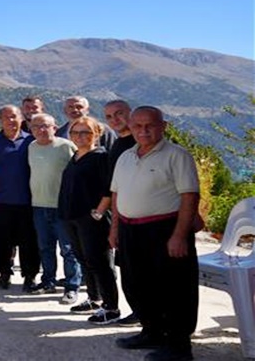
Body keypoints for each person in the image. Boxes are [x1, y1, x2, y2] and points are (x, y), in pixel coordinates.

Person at [111, 106, 200, 361]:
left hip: (165, 229)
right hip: (129, 229)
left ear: (163, 126)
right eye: (138, 126)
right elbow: (116, 193)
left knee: (174, 289)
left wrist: (179, 235)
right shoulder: (126, 156)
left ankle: (179, 346)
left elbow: (190, 196)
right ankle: (152, 332)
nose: (143, 130)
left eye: (150, 125)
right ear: (131, 127)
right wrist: (115, 228)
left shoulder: (177, 155)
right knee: (137, 284)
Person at [58, 115, 119, 324]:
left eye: (85, 132)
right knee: (85, 260)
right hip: (72, 217)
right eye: (75, 132)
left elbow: (109, 188)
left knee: (100, 263)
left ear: (97, 134)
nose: (79, 136)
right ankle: (94, 299)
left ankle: (111, 307)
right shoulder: (75, 155)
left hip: (92, 218)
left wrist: (99, 212)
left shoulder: (101, 157)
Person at [0, 105, 39, 291]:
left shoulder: (32, 141)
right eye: (6, 117)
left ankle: (30, 276)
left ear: (21, 118)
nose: (10, 120)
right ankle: (4, 273)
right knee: (0, 241)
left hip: (29, 202)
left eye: (13, 116)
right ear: (0, 120)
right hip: (0, 202)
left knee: (30, 242)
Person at [27, 113, 81, 302]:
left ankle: (72, 287)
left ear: (55, 128)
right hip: (39, 205)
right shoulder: (31, 147)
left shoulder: (66, 146)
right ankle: (48, 282)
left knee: (68, 249)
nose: (41, 130)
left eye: (45, 126)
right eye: (36, 126)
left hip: (62, 207)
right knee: (45, 247)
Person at [103, 99, 140, 327]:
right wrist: (114, 225)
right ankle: (140, 313)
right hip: (124, 217)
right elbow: (114, 188)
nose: (114, 119)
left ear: (130, 113)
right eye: (109, 116)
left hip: (148, 218)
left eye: (119, 113)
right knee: (129, 270)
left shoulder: (142, 142)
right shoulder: (118, 145)